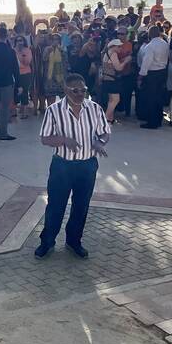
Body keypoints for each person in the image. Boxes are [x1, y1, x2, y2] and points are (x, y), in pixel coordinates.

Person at [35, 74, 110, 259]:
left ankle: (74, 241)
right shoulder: (53, 111)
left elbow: (105, 132)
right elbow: (45, 138)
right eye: (75, 90)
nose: (80, 94)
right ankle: (47, 242)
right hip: (62, 166)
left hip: (88, 165)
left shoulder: (95, 109)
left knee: (81, 206)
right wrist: (63, 140)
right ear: (65, 90)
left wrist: (99, 142)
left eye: (83, 90)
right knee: (55, 206)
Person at [137, 26, 169, 129]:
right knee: (159, 97)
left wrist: (141, 76)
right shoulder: (164, 43)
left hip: (152, 74)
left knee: (151, 98)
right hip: (162, 72)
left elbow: (146, 62)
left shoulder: (150, 46)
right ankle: (158, 119)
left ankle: (152, 122)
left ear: (150, 34)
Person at [100, 39, 130, 124]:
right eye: (119, 46)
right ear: (113, 46)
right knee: (116, 99)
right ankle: (106, 118)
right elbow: (118, 68)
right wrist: (126, 61)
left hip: (107, 79)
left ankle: (110, 118)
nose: (120, 48)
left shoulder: (106, 53)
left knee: (111, 100)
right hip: (112, 79)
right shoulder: (113, 54)